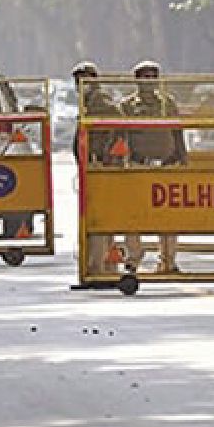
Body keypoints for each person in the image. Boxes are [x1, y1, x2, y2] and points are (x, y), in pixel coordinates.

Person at [119, 60, 187, 273]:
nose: (148, 81)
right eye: (144, 77)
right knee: (133, 214)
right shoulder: (128, 106)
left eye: (152, 76)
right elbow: (122, 136)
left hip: (166, 166)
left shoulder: (168, 103)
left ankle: (168, 260)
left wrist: (181, 156)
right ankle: (133, 257)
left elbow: (178, 132)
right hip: (138, 166)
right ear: (137, 80)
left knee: (168, 215)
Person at [71, 61, 120, 276]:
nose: (82, 83)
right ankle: (102, 264)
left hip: (100, 166)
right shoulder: (87, 101)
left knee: (98, 217)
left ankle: (98, 265)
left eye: (86, 78)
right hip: (92, 166)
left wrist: (105, 153)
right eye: (79, 80)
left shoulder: (99, 100)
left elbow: (114, 119)